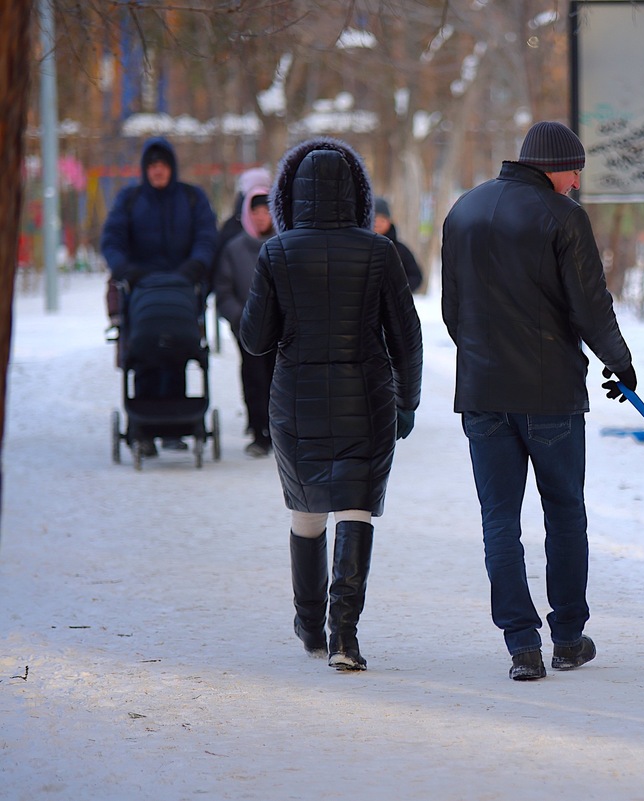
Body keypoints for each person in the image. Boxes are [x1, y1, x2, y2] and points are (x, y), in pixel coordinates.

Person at [441, 120, 637, 681]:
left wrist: (483, 357)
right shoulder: (562, 217)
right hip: (550, 393)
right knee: (564, 512)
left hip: (481, 392)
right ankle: (569, 638)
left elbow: (454, 310)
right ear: (556, 167)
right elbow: (590, 303)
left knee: (499, 518)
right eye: (575, 170)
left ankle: (521, 644)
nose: (577, 183)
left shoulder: (464, 211)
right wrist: (618, 363)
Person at [239, 137, 423, 672]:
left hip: (295, 401)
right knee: (356, 507)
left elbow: (255, 339)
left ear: (290, 196)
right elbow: (406, 336)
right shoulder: (379, 251)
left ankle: (307, 622)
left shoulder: (275, 252)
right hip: (366, 399)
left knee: (306, 511)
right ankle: (344, 634)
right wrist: (407, 399)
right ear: (358, 196)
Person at [101, 136, 217, 455]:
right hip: (141, 289)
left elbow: (207, 236)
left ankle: (176, 426)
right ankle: (144, 428)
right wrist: (127, 270)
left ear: (172, 167)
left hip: (182, 287)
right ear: (145, 169)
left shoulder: (192, 199)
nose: (157, 172)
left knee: (178, 348)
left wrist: (195, 267)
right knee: (145, 352)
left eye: (162, 165)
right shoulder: (130, 200)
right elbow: (112, 240)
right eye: (152, 166)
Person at [214, 174, 276, 457]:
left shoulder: (285, 245)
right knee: (254, 379)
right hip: (247, 329)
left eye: (267, 211)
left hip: (280, 330)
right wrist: (242, 318)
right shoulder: (234, 249)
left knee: (279, 380)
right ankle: (259, 431)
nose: (261, 217)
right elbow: (224, 291)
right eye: (256, 211)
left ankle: (280, 431)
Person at [372, 198, 424, 292]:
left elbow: (416, 276)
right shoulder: (359, 247)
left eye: (382, 220)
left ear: (389, 222)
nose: (378, 223)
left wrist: (398, 290)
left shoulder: (400, 250)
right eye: (375, 219)